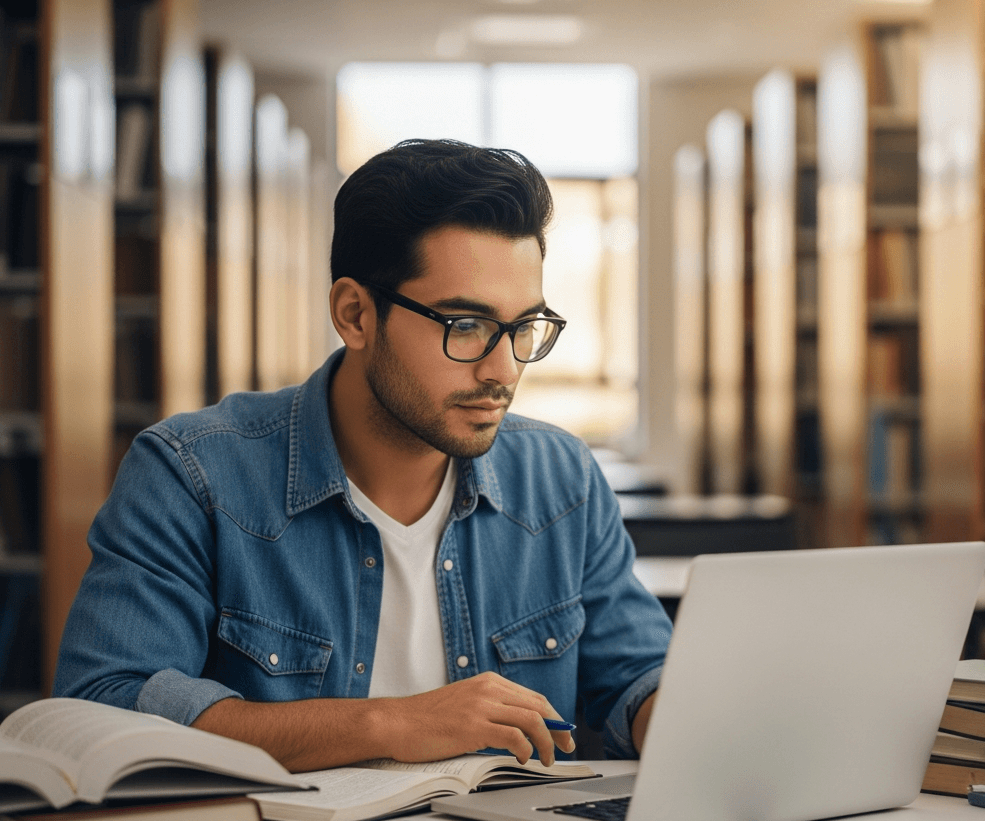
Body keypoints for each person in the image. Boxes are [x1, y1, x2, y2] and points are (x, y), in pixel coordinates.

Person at [54, 139, 672, 772]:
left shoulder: (562, 480)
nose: (503, 369)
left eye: (524, 329)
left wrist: (691, 717)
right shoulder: (191, 474)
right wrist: (389, 722)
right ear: (355, 315)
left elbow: (638, 675)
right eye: (465, 326)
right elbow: (103, 705)